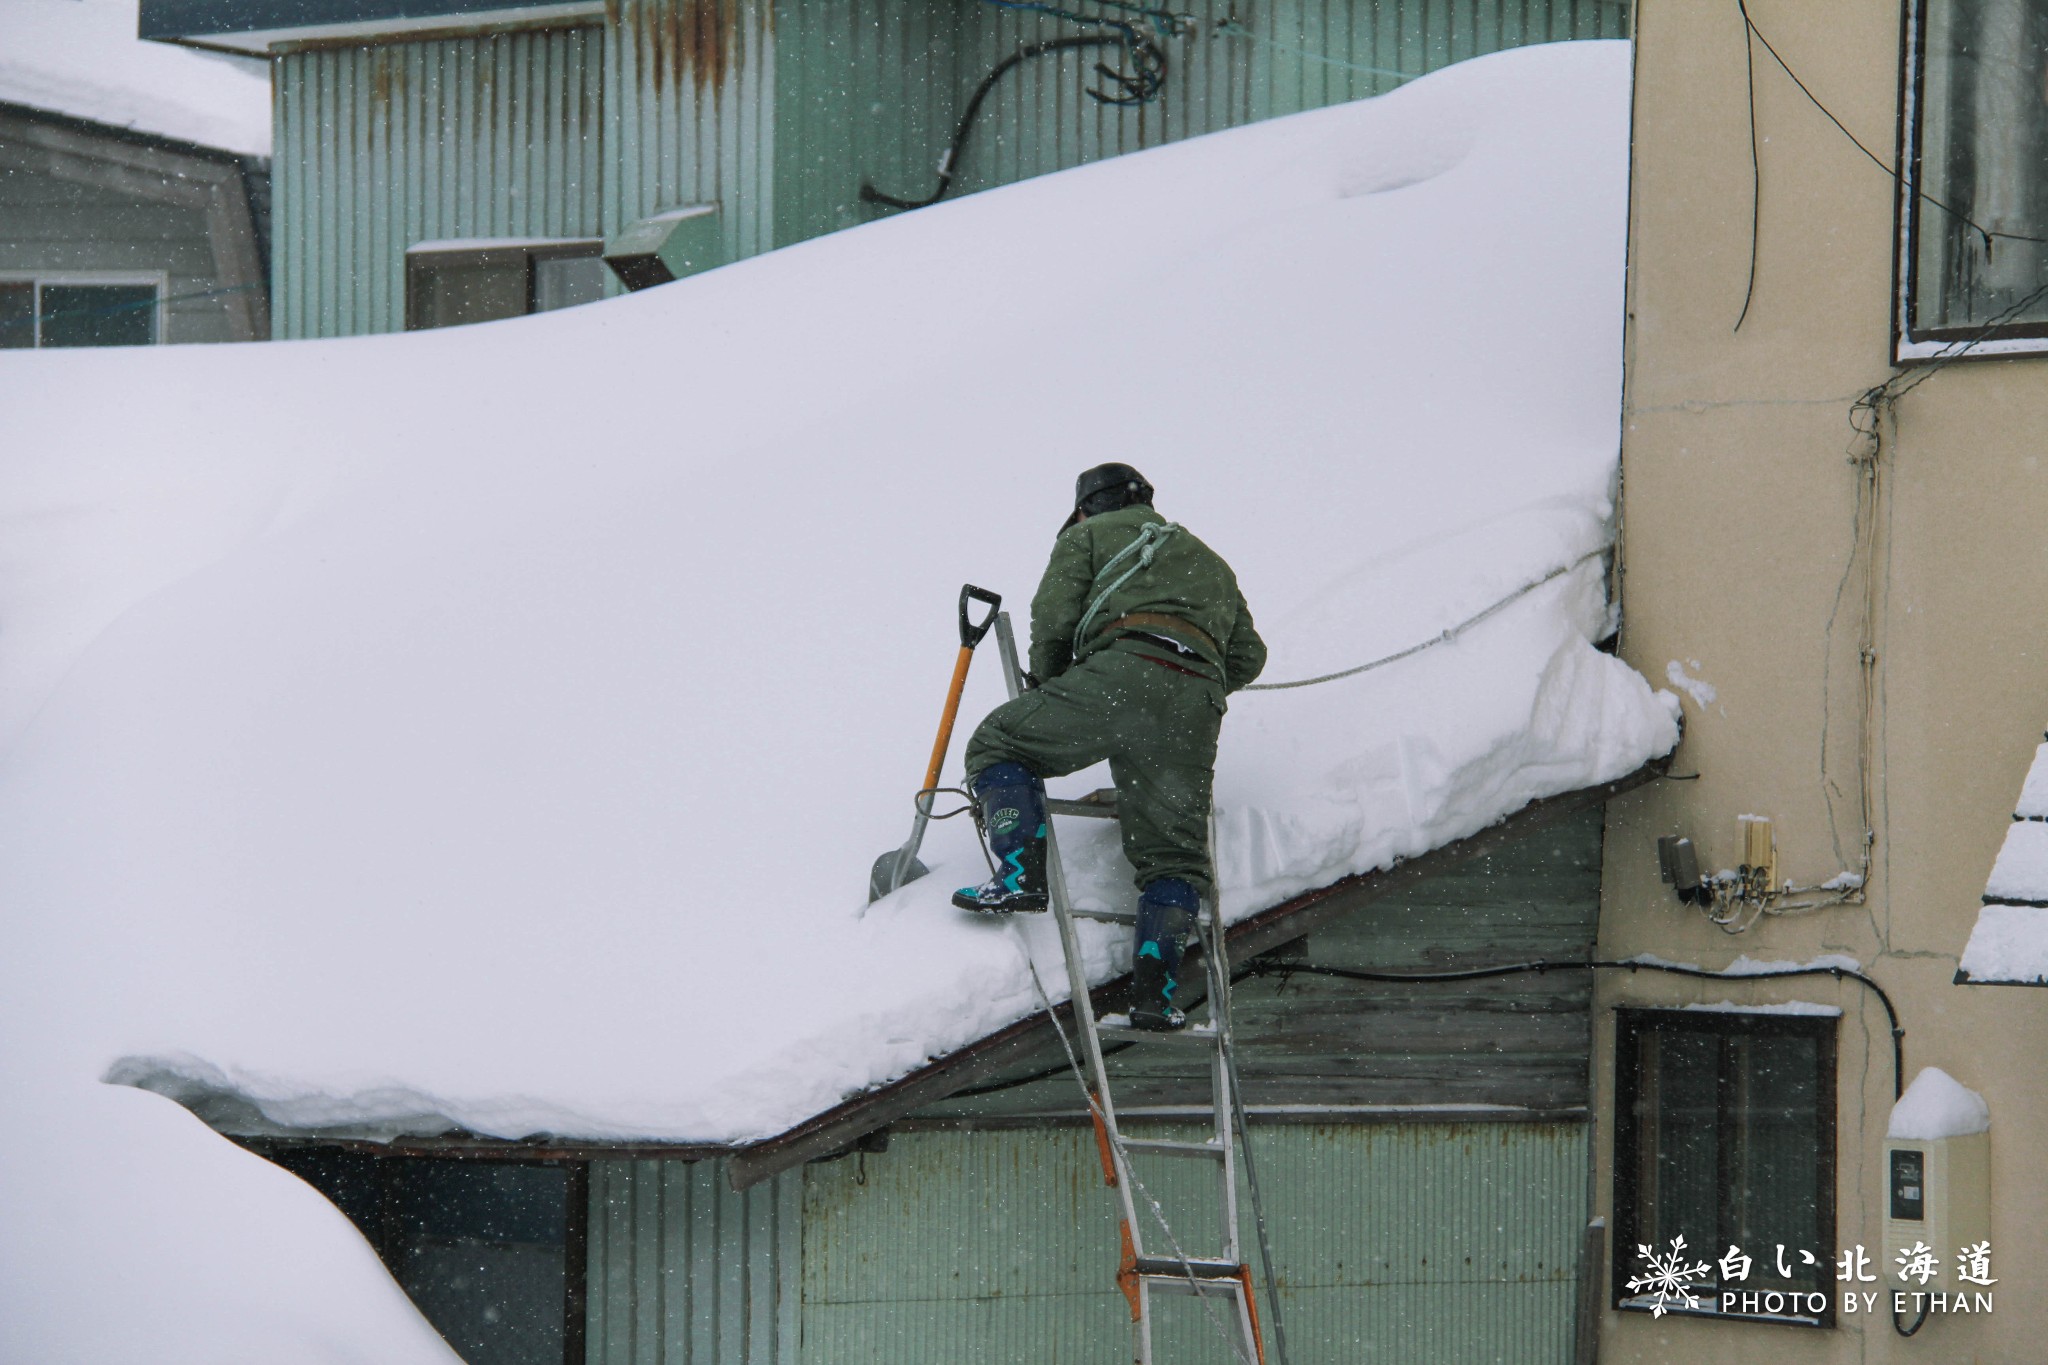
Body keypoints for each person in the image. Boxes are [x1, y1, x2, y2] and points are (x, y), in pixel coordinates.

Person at [954, 462, 1266, 1031]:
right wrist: (1191, 677)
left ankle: (1020, 875)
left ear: (1086, 508)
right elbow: (1249, 657)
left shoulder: (1087, 536)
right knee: (1173, 857)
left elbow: (1053, 617)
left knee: (997, 740)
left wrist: (1053, 683)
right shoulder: (1209, 560)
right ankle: (1155, 994)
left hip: (1124, 669)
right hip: (1195, 702)